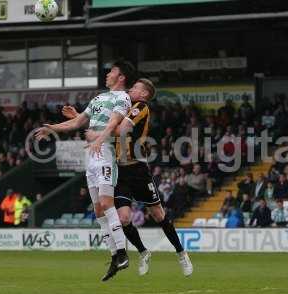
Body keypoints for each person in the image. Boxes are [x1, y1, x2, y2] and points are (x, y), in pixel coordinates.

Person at [62, 78, 193, 280]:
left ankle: (181, 253)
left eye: (136, 88)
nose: (131, 89)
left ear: (144, 95)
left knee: (158, 215)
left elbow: (118, 130)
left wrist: (92, 133)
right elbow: (105, 124)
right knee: (123, 218)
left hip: (138, 169)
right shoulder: (121, 105)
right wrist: (81, 117)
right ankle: (143, 252)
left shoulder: (140, 107)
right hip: (119, 171)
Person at [36, 61, 136, 281]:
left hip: (105, 153)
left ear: (121, 78)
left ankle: (122, 252)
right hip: (91, 156)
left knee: (107, 203)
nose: (108, 74)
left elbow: (113, 124)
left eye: (112, 72)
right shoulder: (99, 98)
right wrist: (51, 127)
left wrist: (99, 139)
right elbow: (78, 122)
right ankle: (114, 256)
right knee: (98, 210)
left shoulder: (123, 97)